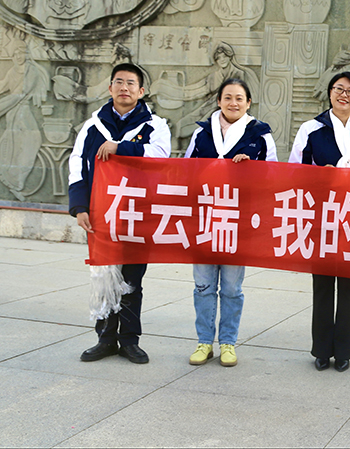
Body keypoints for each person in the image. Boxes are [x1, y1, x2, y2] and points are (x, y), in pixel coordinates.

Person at [68, 63, 172, 364]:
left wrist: (120, 147)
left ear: (141, 91)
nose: (124, 88)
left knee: (132, 279)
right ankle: (105, 339)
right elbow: (78, 164)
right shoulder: (93, 126)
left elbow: (161, 156)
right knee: (104, 276)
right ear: (110, 88)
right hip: (101, 213)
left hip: (138, 212)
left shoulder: (155, 125)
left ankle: (129, 340)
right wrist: (79, 207)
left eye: (131, 83)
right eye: (119, 82)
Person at [289, 71, 350, 372]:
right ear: (330, 93)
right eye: (339, 89)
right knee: (322, 285)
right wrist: (322, 176)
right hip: (321, 217)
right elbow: (295, 173)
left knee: (348, 286)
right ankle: (321, 349)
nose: (344, 95)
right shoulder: (311, 129)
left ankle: (344, 350)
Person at [184, 78, 277, 367]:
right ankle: (204, 342)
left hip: (238, 222)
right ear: (219, 101)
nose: (233, 103)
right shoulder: (202, 133)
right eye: (227, 97)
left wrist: (252, 169)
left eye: (239, 98)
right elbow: (186, 171)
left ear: (248, 103)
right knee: (203, 285)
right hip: (205, 218)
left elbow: (273, 177)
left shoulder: (260, 135)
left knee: (232, 288)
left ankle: (228, 343)